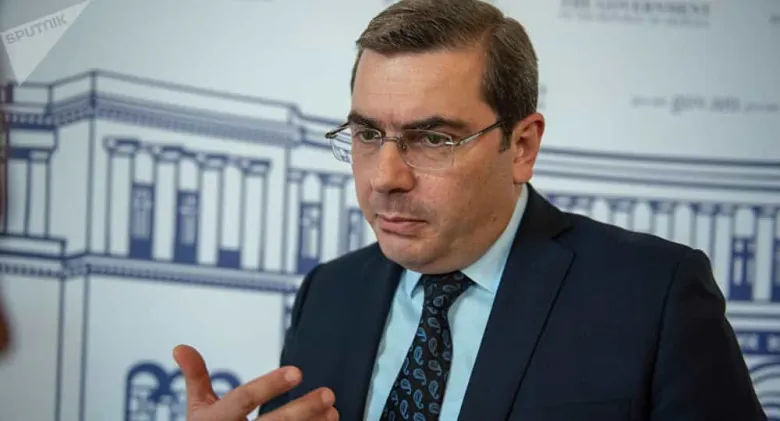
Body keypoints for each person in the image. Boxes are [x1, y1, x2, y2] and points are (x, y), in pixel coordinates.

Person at [173, 0, 767, 420]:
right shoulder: (328, 294)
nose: (385, 178)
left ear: (522, 146)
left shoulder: (653, 294)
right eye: (367, 134)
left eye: (433, 139)